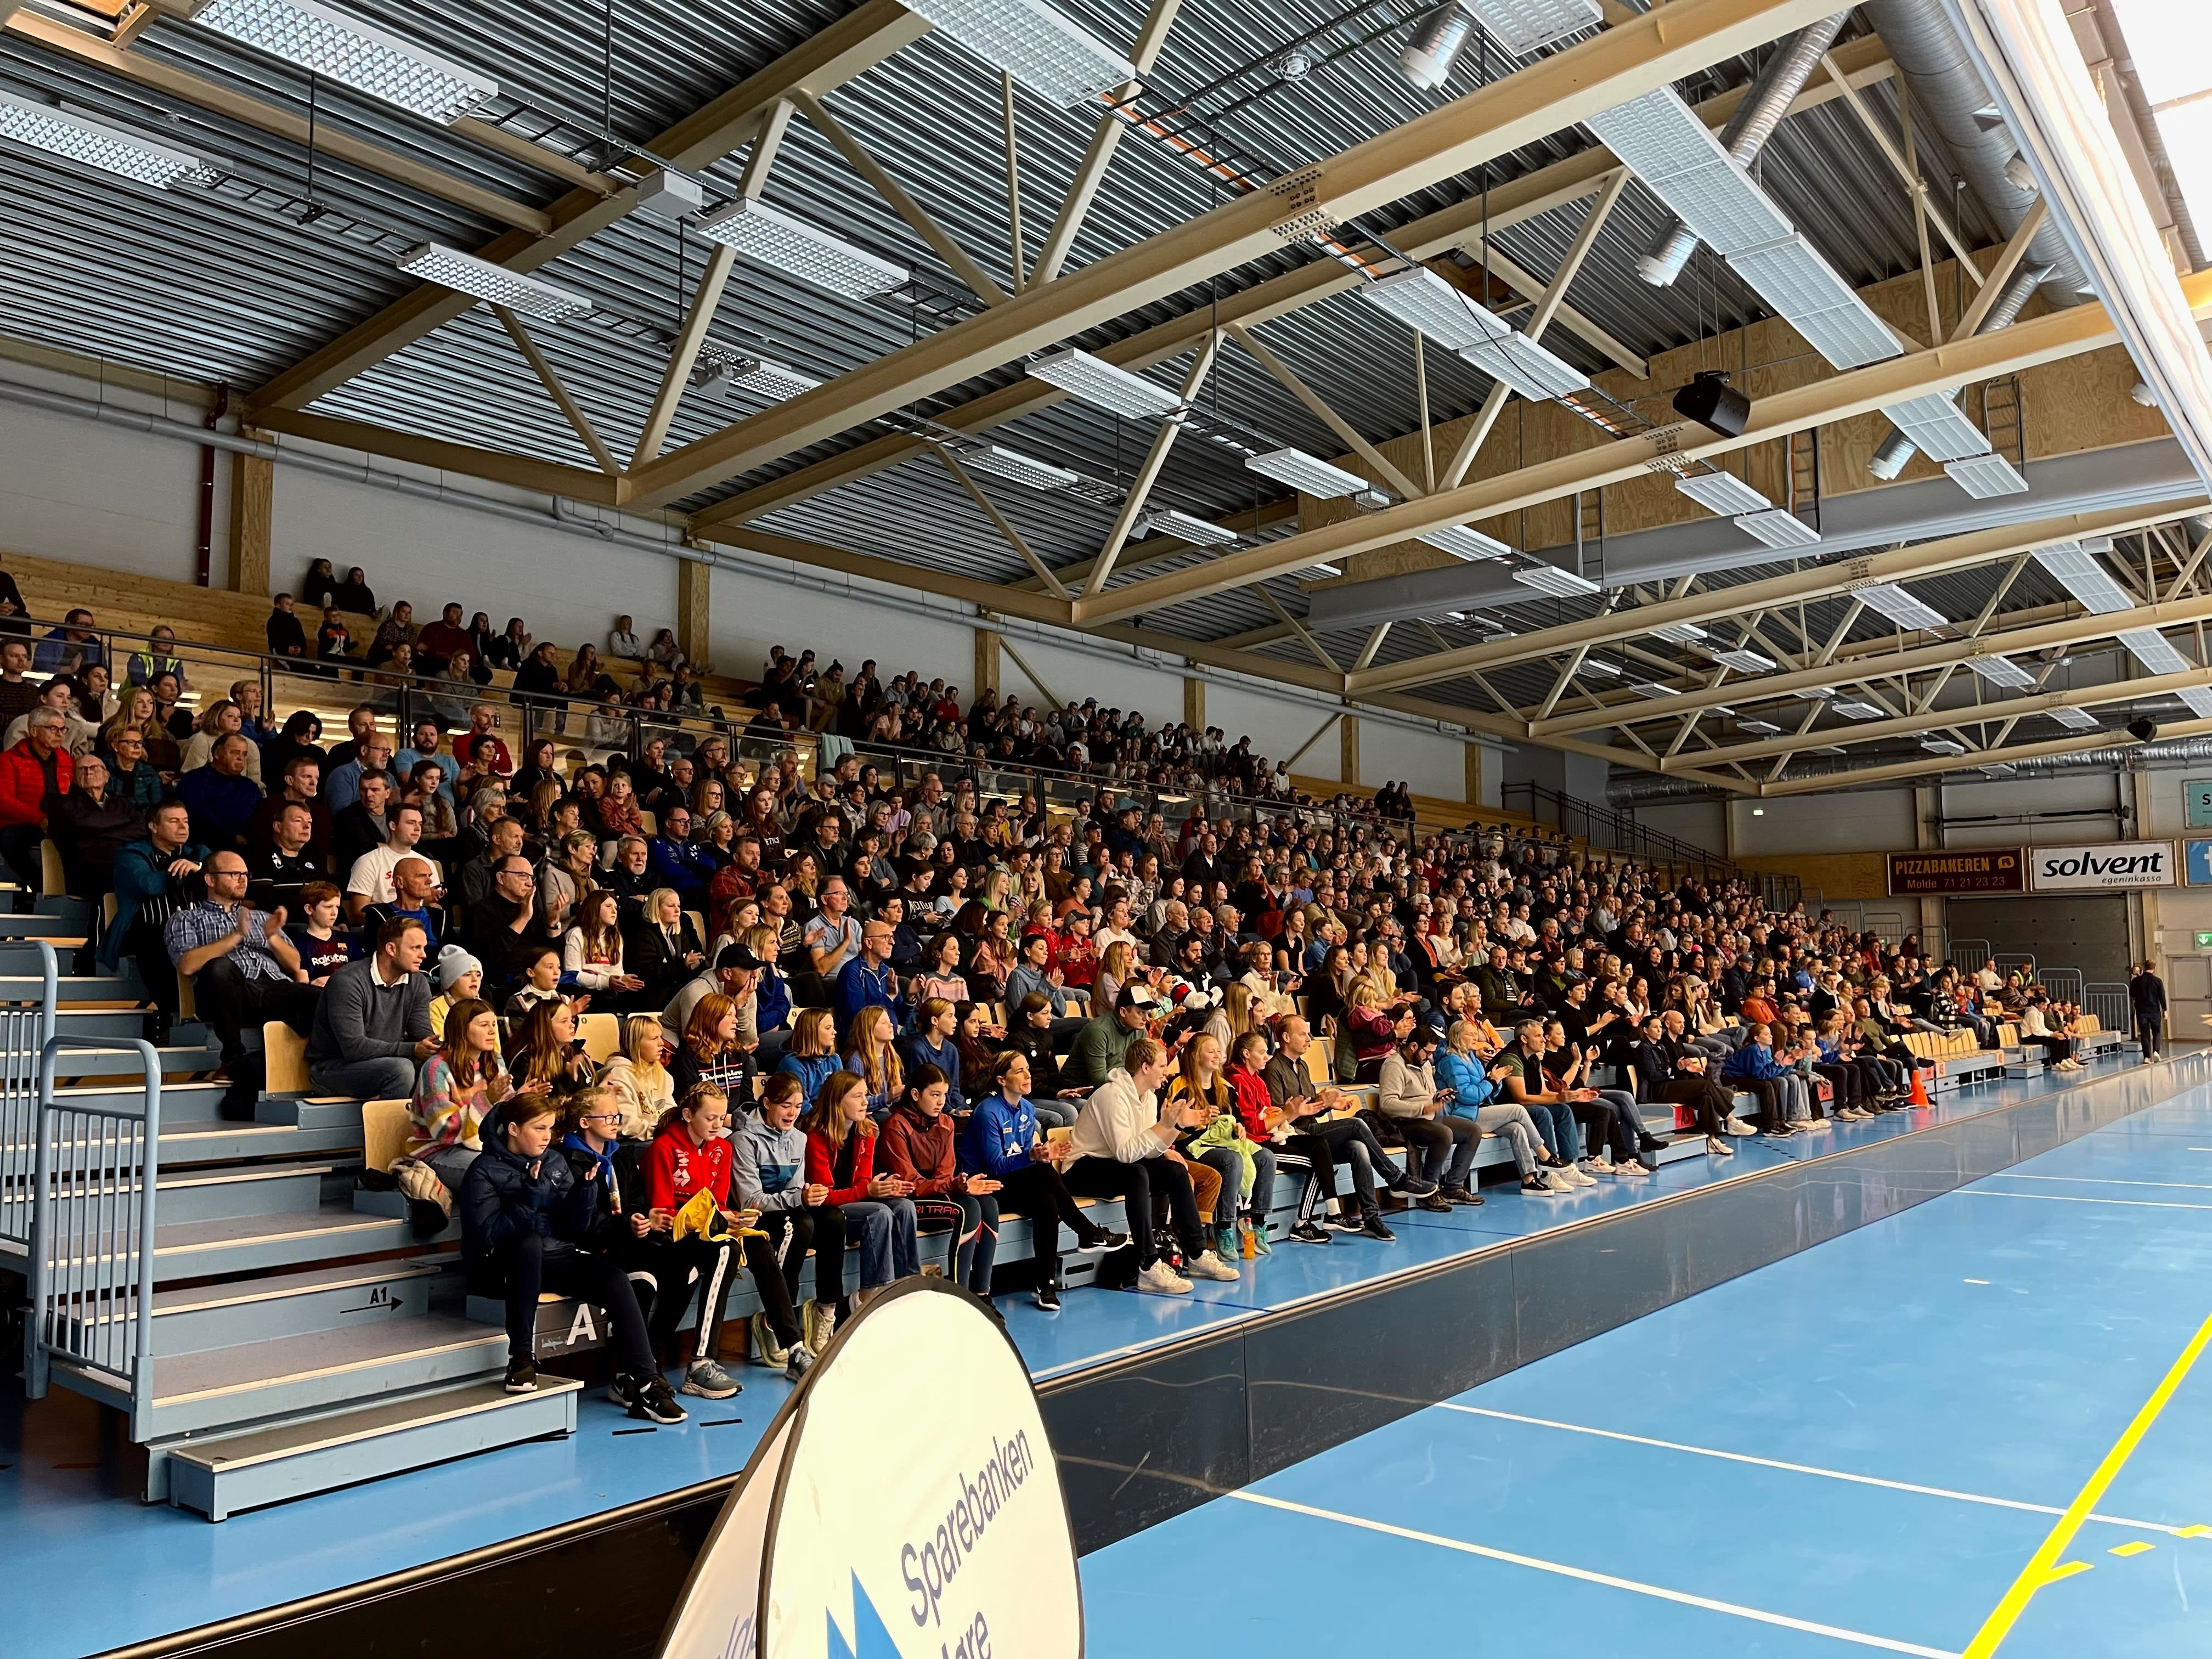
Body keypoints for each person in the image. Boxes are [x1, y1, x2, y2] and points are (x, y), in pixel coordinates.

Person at [459, 1092, 684, 1420]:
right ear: (513, 1129)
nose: (547, 1136)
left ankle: (646, 1383)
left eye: (550, 1128)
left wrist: (584, 1194)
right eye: (539, 1128)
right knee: (529, 1244)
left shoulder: (553, 1161)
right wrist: (530, 1198)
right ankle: (521, 1358)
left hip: (554, 1256)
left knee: (614, 1278)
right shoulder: (482, 1170)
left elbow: (575, 1230)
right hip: (499, 1265)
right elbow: (487, 1235)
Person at [1062, 1037, 1239, 1295]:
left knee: (1175, 1171)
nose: (1167, 1072)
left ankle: (1198, 1253)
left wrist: (1176, 1126)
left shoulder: (1149, 1098)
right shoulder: (1112, 1095)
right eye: (1162, 1066)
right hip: (1081, 1169)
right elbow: (1126, 1154)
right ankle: (1148, 1264)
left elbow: (1150, 1150)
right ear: (1145, 1067)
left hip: (1116, 1165)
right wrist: (1163, 1126)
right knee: (1137, 1174)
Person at [961, 1049, 1124, 1311]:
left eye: (1028, 1069)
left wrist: (1043, 1155)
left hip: (1013, 1182)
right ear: (1002, 1080)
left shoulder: (1027, 1108)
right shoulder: (987, 1112)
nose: (1028, 1075)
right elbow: (997, 1166)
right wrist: (1033, 1157)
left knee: (1047, 1200)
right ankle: (1088, 1233)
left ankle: (1046, 1286)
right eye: (1019, 1071)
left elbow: (1025, 1159)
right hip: (985, 1186)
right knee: (1044, 1173)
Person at [164, 850, 317, 1115]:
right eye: (234, 874)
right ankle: (232, 1056)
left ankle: (303, 1064)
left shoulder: (261, 918)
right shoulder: (187, 918)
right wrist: (235, 936)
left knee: (325, 997)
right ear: (210, 880)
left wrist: (272, 937)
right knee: (220, 967)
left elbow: (294, 964)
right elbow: (187, 965)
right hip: (228, 993)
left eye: (246, 874)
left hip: (272, 987)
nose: (243, 879)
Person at [633, 1085, 748, 1400]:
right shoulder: (664, 1148)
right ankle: (701, 1362)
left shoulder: (722, 1149)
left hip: (701, 1236)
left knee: (740, 1248)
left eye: (721, 1118)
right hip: (667, 1237)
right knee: (725, 1250)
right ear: (687, 1115)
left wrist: (731, 1218)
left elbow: (718, 1203)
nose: (717, 1125)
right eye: (710, 1118)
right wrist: (713, 1220)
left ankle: (789, 1344)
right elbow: (662, 1212)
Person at [733, 1071, 839, 1362]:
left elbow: (795, 1190)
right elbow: (750, 1201)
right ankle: (778, 1319)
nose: (793, 1113)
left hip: (786, 1212)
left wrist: (808, 1196)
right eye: (785, 1106)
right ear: (767, 1103)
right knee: (800, 1224)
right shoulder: (743, 1140)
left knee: (833, 1219)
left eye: (798, 1106)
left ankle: (825, 1311)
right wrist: (798, 1199)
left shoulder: (799, 1138)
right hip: (755, 1219)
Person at [803, 1070, 920, 1320]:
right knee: (879, 1213)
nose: (866, 1102)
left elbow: (863, 1183)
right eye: (857, 1096)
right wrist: (869, 1191)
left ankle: (908, 1288)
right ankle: (870, 1297)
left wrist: (884, 1188)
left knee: (904, 1207)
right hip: (828, 1216)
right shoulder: (816, 1138)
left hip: (855, 1205)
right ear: (837, 1101)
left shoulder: (866, 1133)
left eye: (866, 1095)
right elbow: (824, 1198)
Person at [882, 1064, 999, 1306]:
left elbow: (946, 1173)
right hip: (909, 1203)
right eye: (935, 1095)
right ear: (916, 1095)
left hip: (936, 1194)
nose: (941, 1102)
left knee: (988, 1204)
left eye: (944, 1095)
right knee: (969, 1208)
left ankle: (982, 1295)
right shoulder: (896, 1125)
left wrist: (959, 1185)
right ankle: (959, 1299)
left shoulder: (946, 1123)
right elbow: (910, 1184)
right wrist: (954, 1186)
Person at [305, 915, 435, 1102]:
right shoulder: (348, 981)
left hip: (385, 1061)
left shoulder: (418, 982)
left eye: (423, 948)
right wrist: (413, 1049)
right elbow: (354, 1048)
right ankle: (389, 1122)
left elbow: (422, 1035)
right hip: (332, 1068)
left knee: (442, 1065)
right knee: (401, 1070)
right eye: (416, 948)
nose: (424, 955)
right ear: (391, 949)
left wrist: (449, 1050)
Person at [406, 996, 520, 1192]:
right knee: (500, 1176)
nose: (492, 1031)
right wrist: (487, 1100)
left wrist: (521, 1100)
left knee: (541, 1165)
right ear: (462, 1030)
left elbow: (503, 1111)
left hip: (484, 1146)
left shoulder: (495, 1061)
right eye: (484, 1025)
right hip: (440, 1151)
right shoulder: (436, 1069)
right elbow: (443, 1130)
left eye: (493, 1024)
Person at [1377, 1025, 1481, 1211]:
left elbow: (1429, 1094)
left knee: (1473, 1131)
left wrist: (1438, 1096)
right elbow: (1387, 1104)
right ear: (1414, 1047)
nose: (1431, 1057)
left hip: (1427, 1117)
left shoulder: (1424, 1063)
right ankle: (1428, 1191)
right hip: (1402, 1122)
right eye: (1428, 1052)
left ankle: (1453, 1187)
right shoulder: (1394, 1066)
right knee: (1443, 1133)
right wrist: (1423, 1108)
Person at [0, 706, 71, 909]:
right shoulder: (9, 760)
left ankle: (77, 892)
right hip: (24, 823)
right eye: (53, 729)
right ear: (33, 730)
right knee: (9, 841)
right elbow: (4, 800)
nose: (60, 734)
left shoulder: (66, 759)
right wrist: (38, 818)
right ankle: (41, 888)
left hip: (59, 822)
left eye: (63, 729)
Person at [597, 1013, 678, 1139]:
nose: (661, 1043)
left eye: (661, 1037)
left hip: (657, 1136)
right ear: (636, 1043)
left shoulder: (662, 1074)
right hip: (630, 1142)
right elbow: (626, 1125)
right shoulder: (619, 1075)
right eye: (654, 1039)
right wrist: (662, 1133)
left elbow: (670, 1111)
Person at [285, 882, 359, 986]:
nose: (334, 913)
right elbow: (302, 985)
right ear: (309, 909)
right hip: (316, 995)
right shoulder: (298, 944)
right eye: (328, 907)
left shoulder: (349, 940)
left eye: (337, 907)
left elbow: (361, 976)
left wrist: (332, 981)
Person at [2130, 961, 2168, 1060]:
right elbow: (2162, 996)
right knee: (2156, 1032)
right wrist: (2165, 1010)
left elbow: (2132, 994)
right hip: (2154, 1010)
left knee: (2144, 1033)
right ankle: (2156, 1051)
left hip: (2141, 1011)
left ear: (2144, 967)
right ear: (2154, 969)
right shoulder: (2158, 981)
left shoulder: (2136, 981)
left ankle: (2146, 1057)